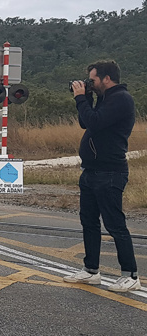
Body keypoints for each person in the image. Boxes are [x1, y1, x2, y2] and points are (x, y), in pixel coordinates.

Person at [64, 60, 140, 292]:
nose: (91, 84)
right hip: (92, 170)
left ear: (107, 78)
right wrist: (86, 98)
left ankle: (131, 275)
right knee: (88, 222)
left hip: (110, 171)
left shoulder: (121, 99)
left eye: (93, 80)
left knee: (115, 224)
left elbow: (95, 122)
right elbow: (84, 122)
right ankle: (91, 270)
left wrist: (80, 98)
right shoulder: (105, 99)